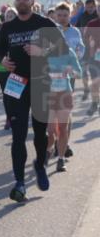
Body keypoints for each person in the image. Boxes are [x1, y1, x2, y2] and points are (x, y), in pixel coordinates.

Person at [0, 0, 64, 203]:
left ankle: (40, 165)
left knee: (41, 133)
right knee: (18, 135)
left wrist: (41, 51)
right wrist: (3, 60)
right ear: (14, 2)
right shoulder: (7, 27)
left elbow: (62, 47)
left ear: (33, 1)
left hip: (40, 83)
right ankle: (20, 183)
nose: (22, 2)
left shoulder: (43, 23)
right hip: (16, 84)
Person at [43, 19, 81, 173]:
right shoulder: (45, 54)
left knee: (63, 128)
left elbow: (80, 72)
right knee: (51, 130)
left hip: (64, 93)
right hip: (49, 94)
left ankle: (60, 159)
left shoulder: (69, 52)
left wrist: (71, 71)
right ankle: (49, 150)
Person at [52, 2, 84, 161]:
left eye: (65, 15)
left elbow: (80, 49)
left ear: (70, 15)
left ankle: (64, 142)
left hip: (68, 76)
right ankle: (57, 140)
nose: (62, 18)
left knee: (65, 112)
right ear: (55, 16)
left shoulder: (75, 31)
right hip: (52, 76)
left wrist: (74, 61)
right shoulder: (52, 31)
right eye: (59, 15)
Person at [84, 8, 100, 116]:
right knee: (95, 82)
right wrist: (90, 43)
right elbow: (85, 38)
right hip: (94, 57)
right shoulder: (91, 23)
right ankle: (94, 103)